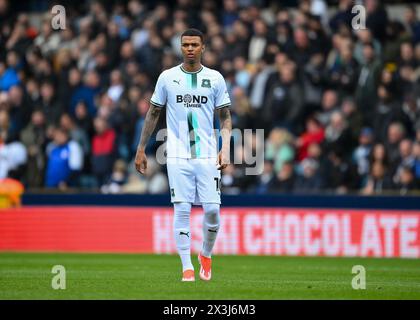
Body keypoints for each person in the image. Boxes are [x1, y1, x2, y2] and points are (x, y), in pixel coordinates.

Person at [134, 29, 232, 282]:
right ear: (181, 47)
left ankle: (206, 254)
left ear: (203, 48)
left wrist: (225, 148)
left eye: (194, 44)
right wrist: (141, 147)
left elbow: (225, 117)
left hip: (208, 154)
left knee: (212, 210)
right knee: (182, 209)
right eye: (185, 44)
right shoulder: (167, 77)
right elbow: (153, 113)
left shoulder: (215, 78)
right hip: (176, 154)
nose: (189, 48)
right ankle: (186, 266)